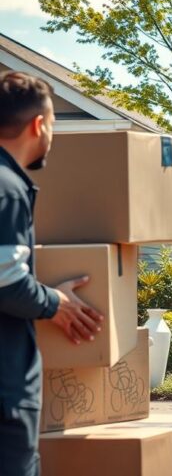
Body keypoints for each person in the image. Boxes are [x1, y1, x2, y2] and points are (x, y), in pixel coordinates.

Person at [0, 70, 103, 476]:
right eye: (54, 124)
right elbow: (6, 281)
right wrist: (55, 302)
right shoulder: (8, 188)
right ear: (39, 124)